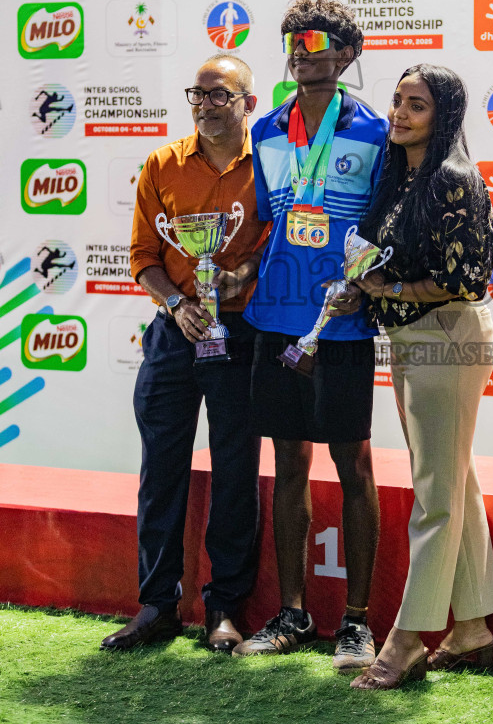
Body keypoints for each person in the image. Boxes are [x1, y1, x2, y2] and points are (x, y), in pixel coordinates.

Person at [231, 0, 387, 672]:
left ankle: (355, 622)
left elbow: (382, 225)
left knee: (352, 465)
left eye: (316, 43)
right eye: (292, 41)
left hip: (343, 324)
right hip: (276, 316)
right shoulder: (266, 126)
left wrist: (367, 282)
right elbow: (272, 215)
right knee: (287, 461)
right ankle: (293, 611)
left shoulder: (377, 131)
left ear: (347, 54)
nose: (300, 52)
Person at [100, 54, 270, 653]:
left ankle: (224, 608)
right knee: (161, 468)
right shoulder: (162, 163)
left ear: (249, 101)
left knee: (234, 471)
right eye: (197, 96)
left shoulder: (272, 166)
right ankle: (156, 605)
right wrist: (178, 305)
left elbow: (280, 244)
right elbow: (144, 256)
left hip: (242, 331)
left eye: (220, 95)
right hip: (175, 333)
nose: (205, 106)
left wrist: (238, 272)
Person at [344, 64, 493, 690]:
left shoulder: (453, 179)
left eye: (417, 104)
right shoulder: (398, 176)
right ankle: (472, 630)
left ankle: (407, 639)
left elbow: (468, 278)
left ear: (445, 116)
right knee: (453, 480)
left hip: (448, 334)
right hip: (411, 338)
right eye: (397, 101)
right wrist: (366, 280)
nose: (400, 113)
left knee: (436, 491)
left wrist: (387, 288)